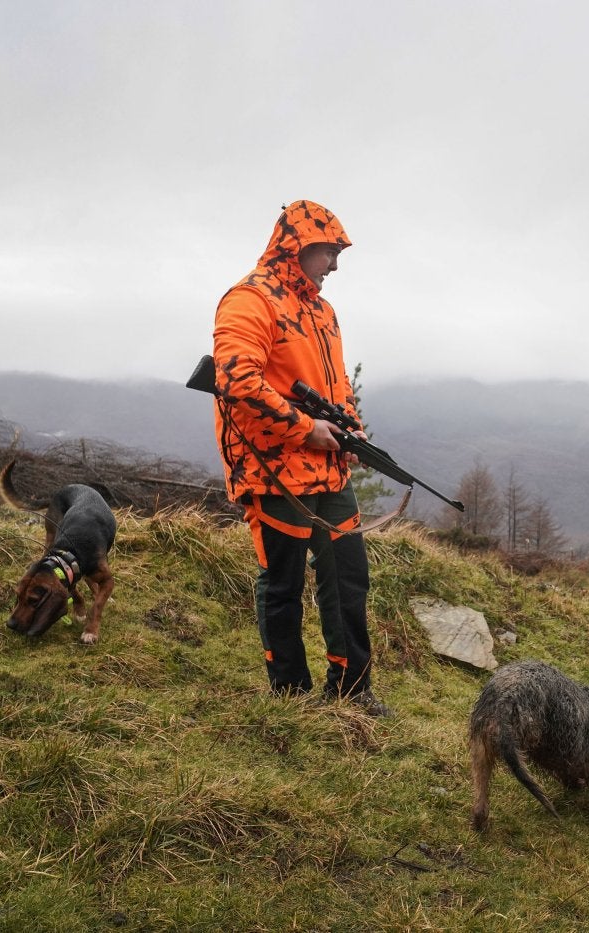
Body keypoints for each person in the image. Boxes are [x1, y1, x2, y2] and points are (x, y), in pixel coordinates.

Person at [210, 199, 390, 716]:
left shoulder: (322, 310)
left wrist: (346, 422)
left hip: (329, 468)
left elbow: (336, 384)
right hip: (273, 472)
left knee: (349, 575)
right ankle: (289, 694)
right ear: (300, 246)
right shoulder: (248, 300)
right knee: (284, 583)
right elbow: (236, 381)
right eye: (330, 252)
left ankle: (351, 691)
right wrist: (305, 428)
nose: (335, 264)